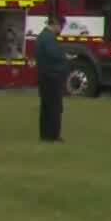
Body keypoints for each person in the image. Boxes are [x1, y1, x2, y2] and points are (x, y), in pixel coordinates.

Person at [33, 10, 70, 142]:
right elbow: (55, 56)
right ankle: (53, 135)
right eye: (60, 26)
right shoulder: (48, 38)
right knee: (54, 107)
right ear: (54, 24)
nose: (61, 30)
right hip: (52, 77)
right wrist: (65, 58)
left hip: (45, 76)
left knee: (46, 107)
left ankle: (45, 135)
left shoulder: (43, 37)